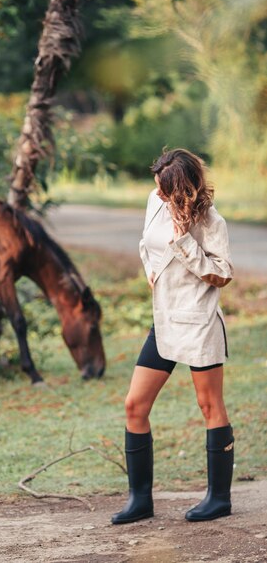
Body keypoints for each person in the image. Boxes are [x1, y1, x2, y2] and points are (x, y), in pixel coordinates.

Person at [112, 148, 234, 525]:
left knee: (209, 406)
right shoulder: (155, 200)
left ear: (183, 191)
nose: (159, 195)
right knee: (135, 405)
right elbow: (145, 244)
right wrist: (151, 270)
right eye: (157, 188)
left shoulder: (212, 223)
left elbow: (222, 274)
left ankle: (218, 498)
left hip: (198, 322)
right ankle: (140, 500)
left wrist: (185, 244)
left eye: (166, 191)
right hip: (163, 320)